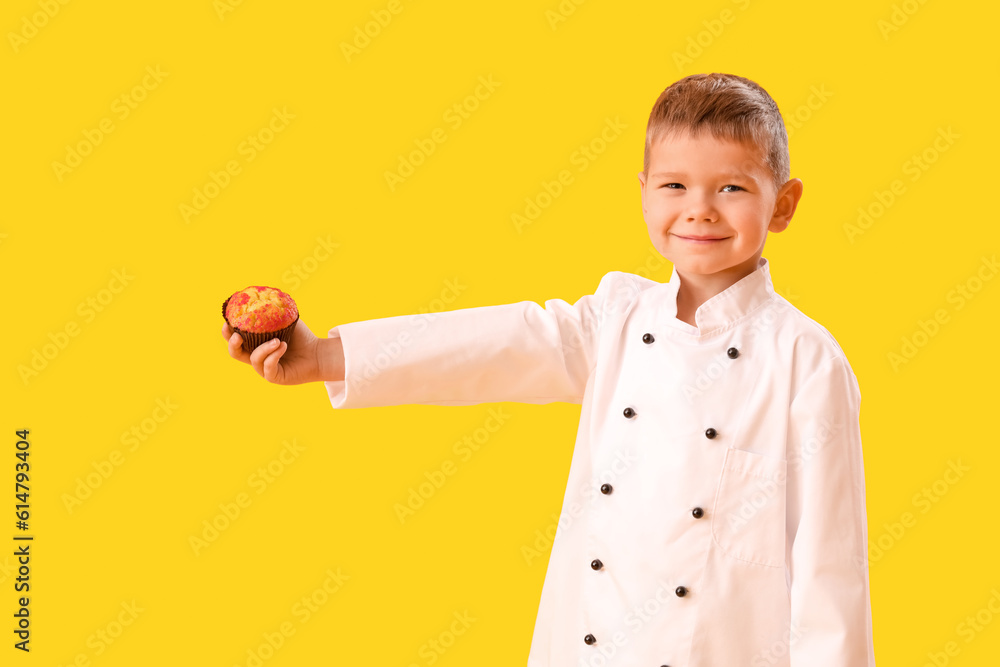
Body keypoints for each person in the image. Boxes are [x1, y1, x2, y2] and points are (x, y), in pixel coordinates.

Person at [221, 72, 876, 666]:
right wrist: (323, 356)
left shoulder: (806, 359)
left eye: (731, 188)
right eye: (675, 185)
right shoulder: (614, 321)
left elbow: (830, 569)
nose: (700, 208)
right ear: (643, 194)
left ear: (783, 204)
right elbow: (489, 344)